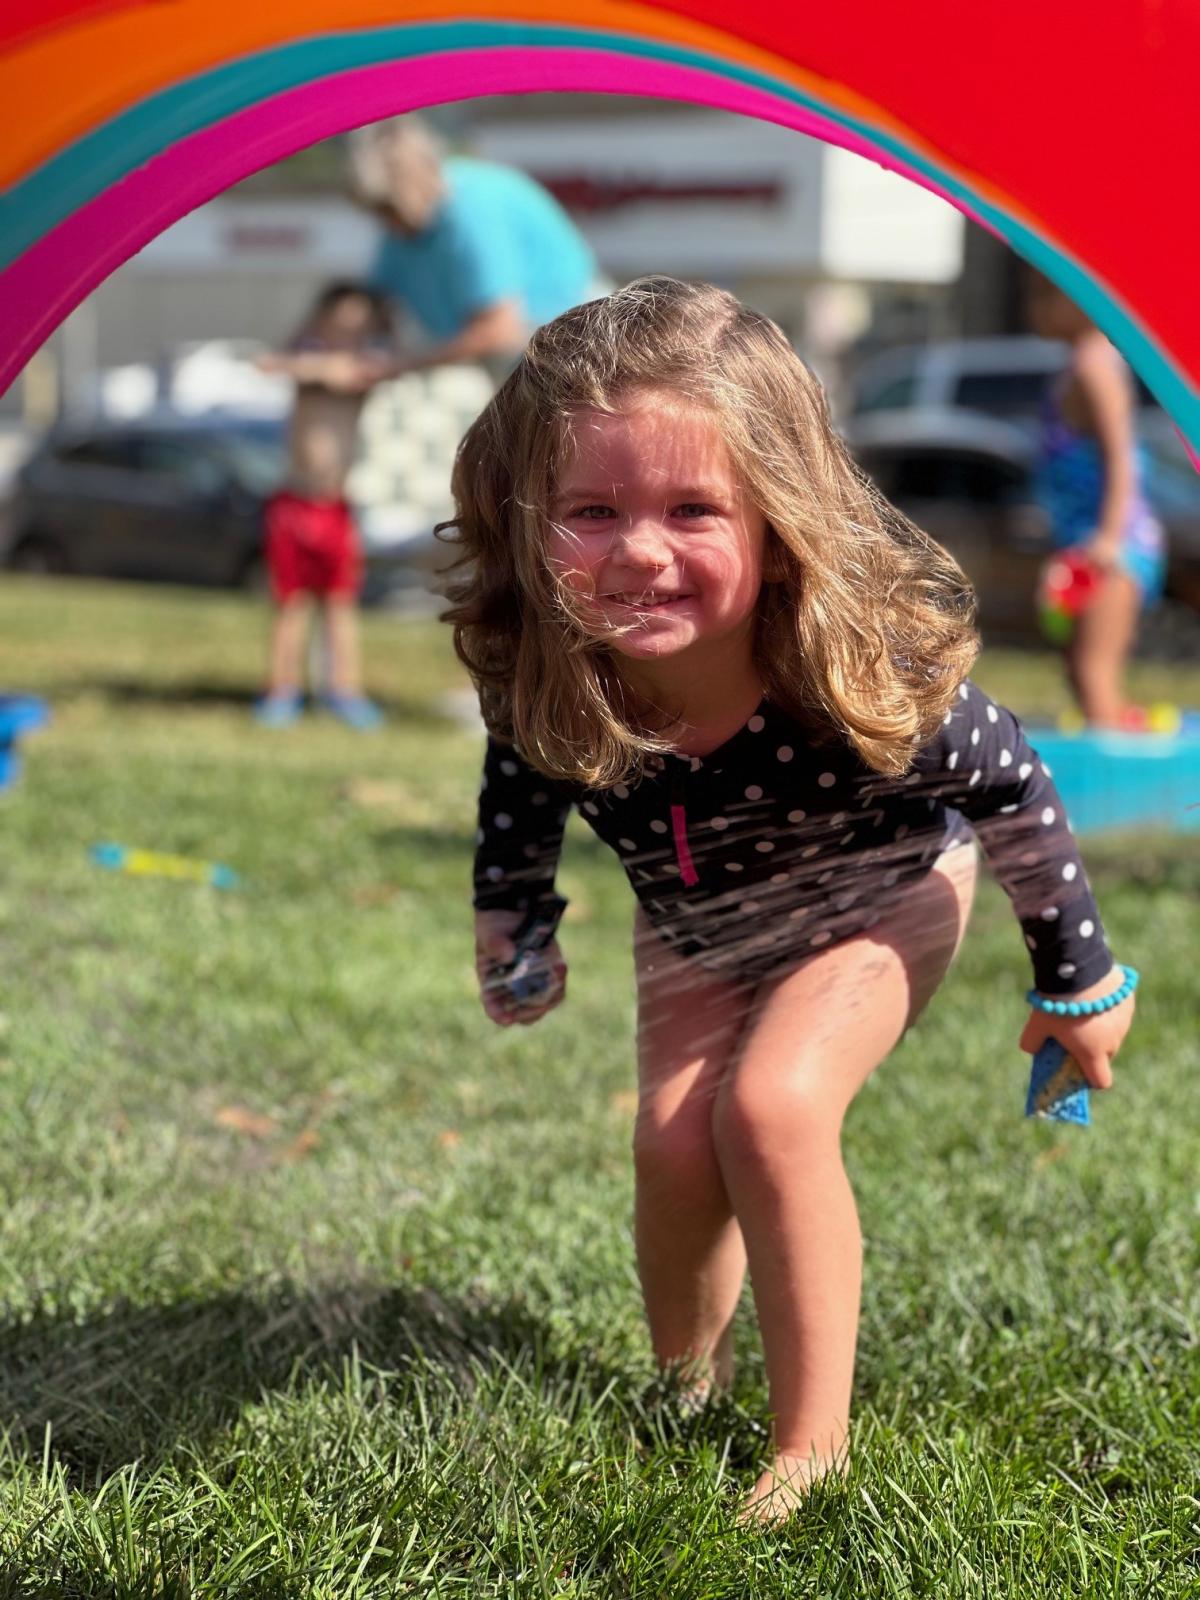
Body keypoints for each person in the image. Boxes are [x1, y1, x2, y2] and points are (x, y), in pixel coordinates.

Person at [439, 278, 1138, 1526]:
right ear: (530, 513)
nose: (639, 551)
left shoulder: (850, 668)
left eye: (692, 509)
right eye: (591, 510)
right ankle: (680, 1386)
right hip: (696, 920)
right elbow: (526, 764)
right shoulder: (555, 659)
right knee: (669, 1139)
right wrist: (513, 912)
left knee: (770, 1108)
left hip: (884, 893)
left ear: (779, 515)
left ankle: (811, 1445)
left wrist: (1077, 983)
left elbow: (1018, 789)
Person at [344, 115, 603, 382]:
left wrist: (399, 366)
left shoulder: (473, 211)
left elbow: (498, 331)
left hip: (568, 349)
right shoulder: (403, 222)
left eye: (388, 210)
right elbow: (374, 301)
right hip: (504, 353)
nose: (386, 223)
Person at [1026, 272, 1167, 727]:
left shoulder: (1093, 367)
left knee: (1093, 669)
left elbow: (1121, 457)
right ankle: (1115, 742)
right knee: (1078, 668)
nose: (1035, 306)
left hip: (1113, 547)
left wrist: (1107, 538)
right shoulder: (1078, 366)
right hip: (1085, 542)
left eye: (1048, 295)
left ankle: (1120, 784)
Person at [254, 282, 393, 729]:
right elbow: (270, 364)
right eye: (338, 324)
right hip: (293, 503)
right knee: (290, 604)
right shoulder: (304, 365)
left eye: (358, 328)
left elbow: (383, 366)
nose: (346, 335)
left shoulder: (364, 371)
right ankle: (281, 689)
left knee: (339, 604)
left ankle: (345, 690)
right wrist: (322, 365)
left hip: (337, 508)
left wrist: (344, 367)